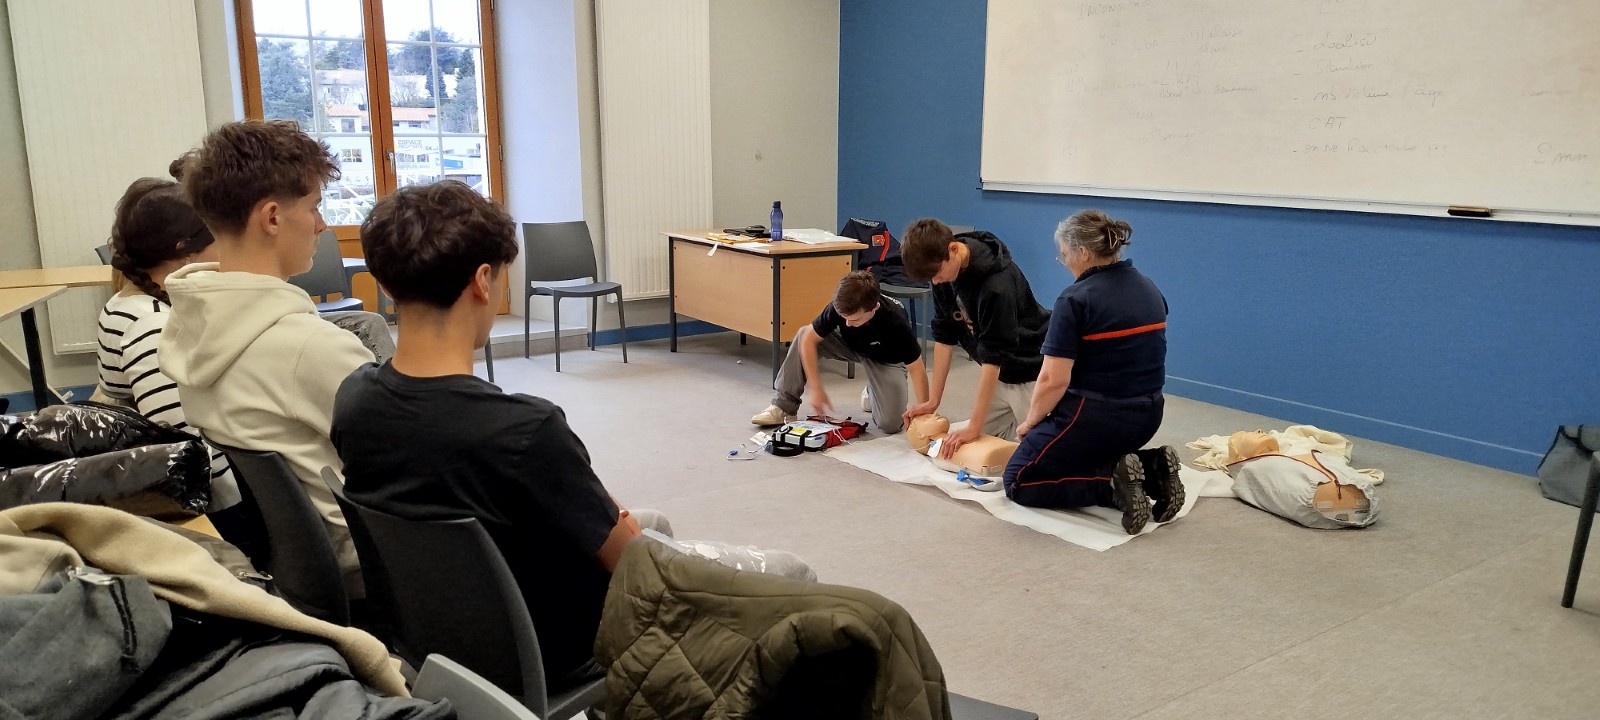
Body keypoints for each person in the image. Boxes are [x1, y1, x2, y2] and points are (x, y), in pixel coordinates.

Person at [331, 181, 809, 690]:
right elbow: (633, 564)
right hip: (558, 646)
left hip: (436, 635)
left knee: (656, 522)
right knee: (792, 572)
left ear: (386, 285)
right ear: (482, 282)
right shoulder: (523, 431)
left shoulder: (354, 398)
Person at [159, 120, 374, 593]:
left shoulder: (189, 331)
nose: (322, 224)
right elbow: (411, 460)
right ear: (272, 218)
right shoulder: (309, 348)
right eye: (314, 207)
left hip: (298, 566)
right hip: (368, 563)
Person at [1002, 210, 1184, 535]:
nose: (1065, 263)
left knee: (1019, 478)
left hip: (1097, 419)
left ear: (1084, 253)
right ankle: (1152, 470)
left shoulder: (1075, 300)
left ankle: (1110, 487)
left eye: (1065, 255)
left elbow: (1053, 380)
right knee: (1070, 454)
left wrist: (1031, 422)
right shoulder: (1148, 287)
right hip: (1148, 416)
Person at [95, 177, 241, 513]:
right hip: (217, 507)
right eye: (218, 238)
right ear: (186, 252)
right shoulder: (153, 327)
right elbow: (186, 444)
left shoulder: (120, 304)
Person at [898, 219, 1051, 455]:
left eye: (937, 274)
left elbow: (994, 356)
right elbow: (944, 335)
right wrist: (933, 401)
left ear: (953, 249)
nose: (936, 282)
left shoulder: (997, 285)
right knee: (975, 449)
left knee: (1043, 455)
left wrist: (974, 426)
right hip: (999, 375)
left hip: (1031, 370)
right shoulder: (942, 268)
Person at [751, 270, 928, 432]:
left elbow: (917, 369)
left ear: (874, 308)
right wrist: (816, 387)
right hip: (851, 346)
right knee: (804, 333)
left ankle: (873, 390)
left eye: (855, 319)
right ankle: (784, 406)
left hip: (886, 360)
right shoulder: (842, 306)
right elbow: (809, 340)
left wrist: (924, 413)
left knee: (890, 424)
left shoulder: (895, 323)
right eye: (844, 318)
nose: (848, 324)